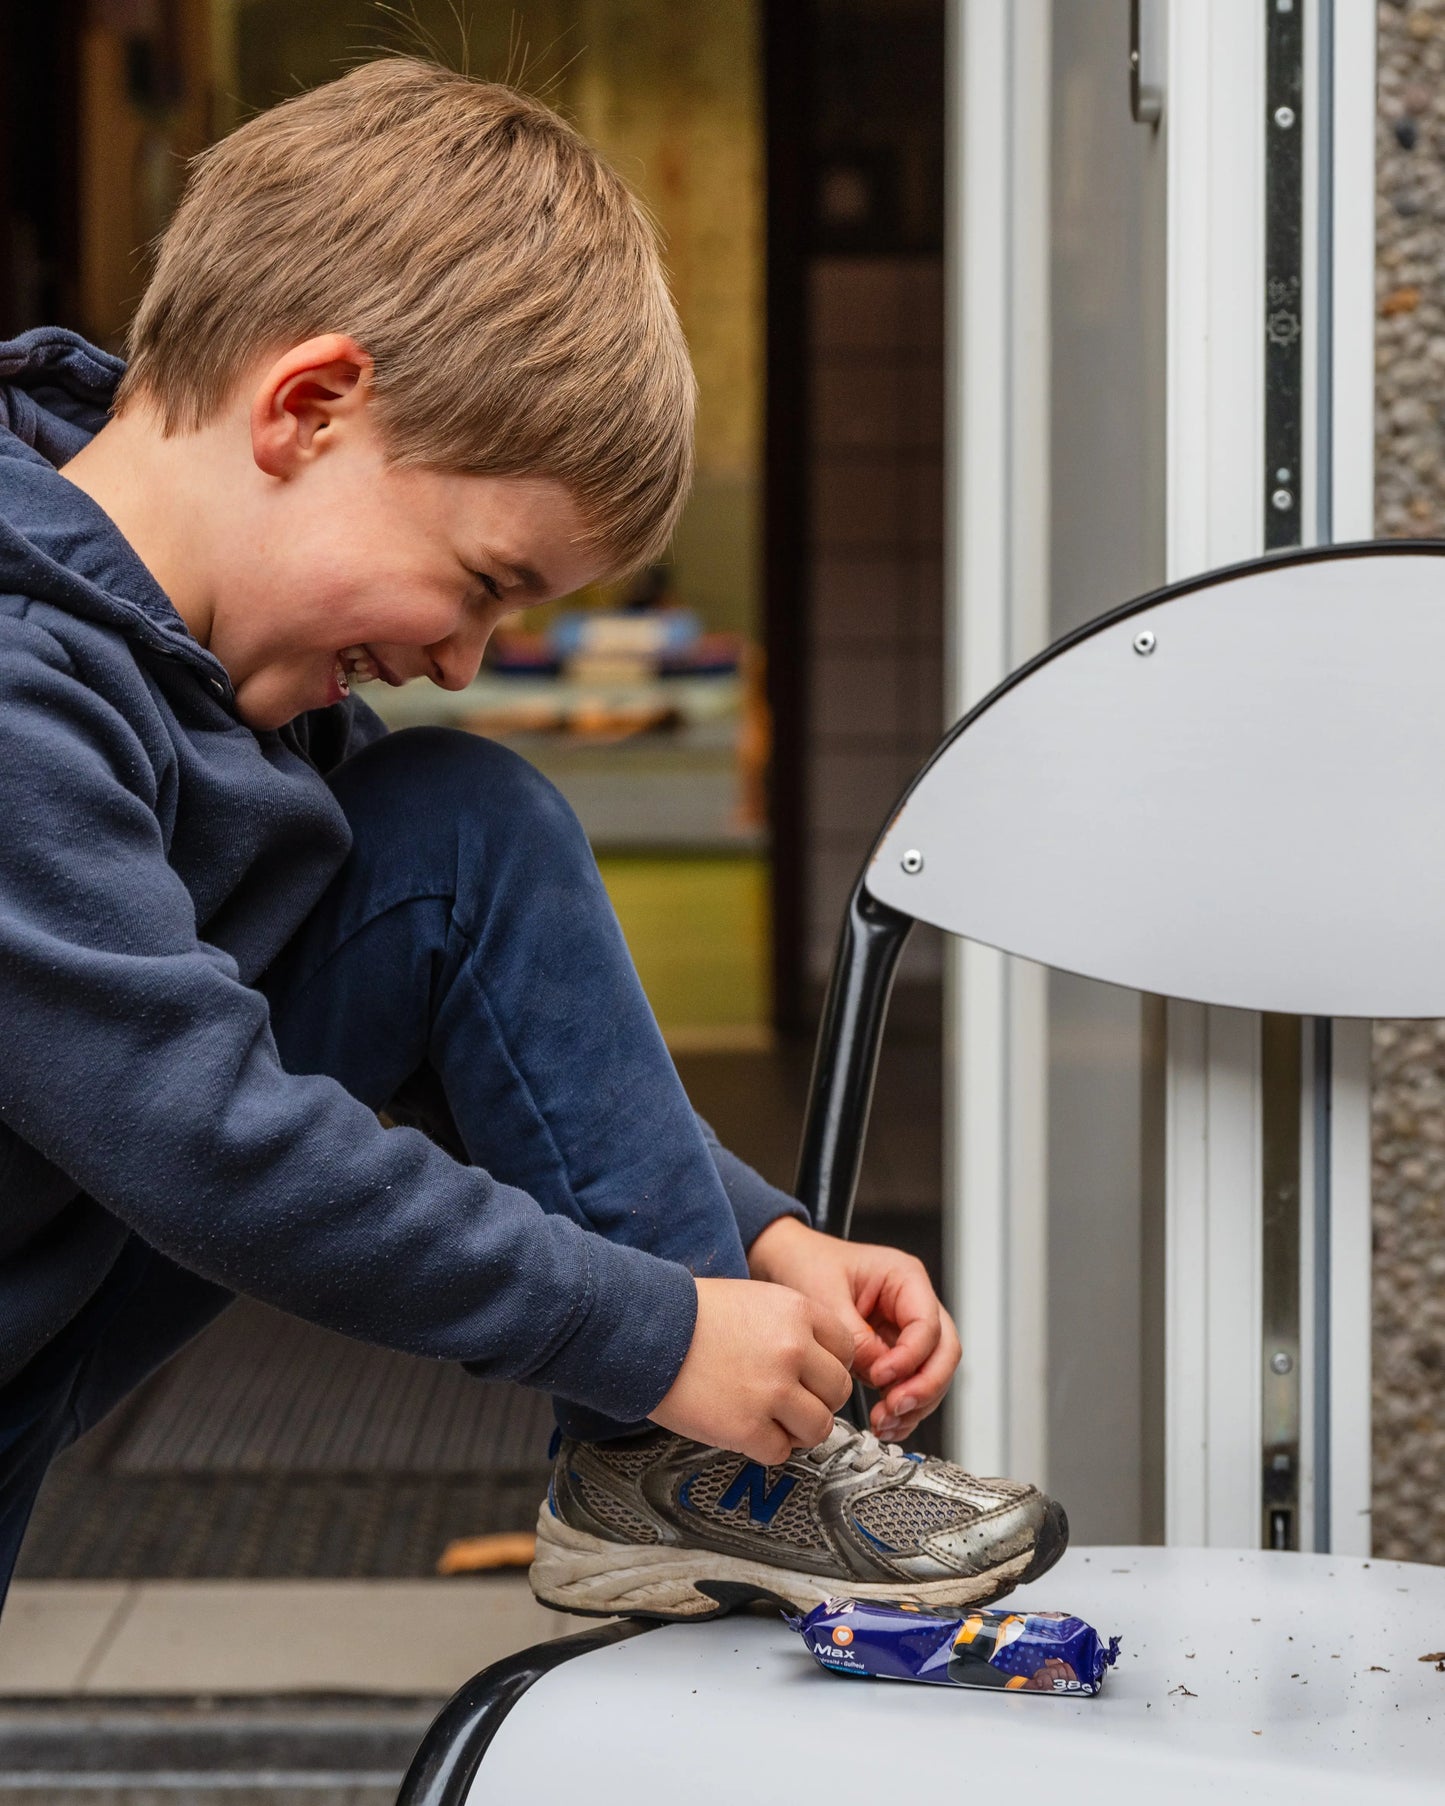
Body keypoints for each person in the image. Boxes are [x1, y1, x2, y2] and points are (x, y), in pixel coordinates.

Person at [0, 57, 1065, 1622]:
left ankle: (669, 1471)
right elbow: (205, 1131)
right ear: (307, 406)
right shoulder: (22, 687)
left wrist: (746, 1245)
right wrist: (648, 1326)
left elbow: (466, 975)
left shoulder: (221, 677)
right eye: (484, 580)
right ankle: (668, 1428)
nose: (463, 656)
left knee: (456, 832)